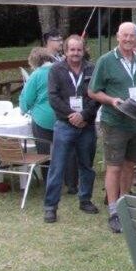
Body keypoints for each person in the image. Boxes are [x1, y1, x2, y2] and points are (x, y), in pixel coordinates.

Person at [88, 22, 136, 233]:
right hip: (115, 122)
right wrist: (111, 100)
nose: (128, 39)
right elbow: (93, 91)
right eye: (124, 35)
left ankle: (125, 204)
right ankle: (114, 211)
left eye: (131, 36)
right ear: (117, 37)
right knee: (114, 166)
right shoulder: (106, 61)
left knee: (130, 165)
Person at [43, 35, 99, 223]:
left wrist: (84, 115)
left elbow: (97, 96)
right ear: (65, 51)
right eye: (72, 50)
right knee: (57, 166)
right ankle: (51, 206)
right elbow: (53, 98)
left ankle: (85, 199)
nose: (75, 53)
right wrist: (72, 115)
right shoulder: (56, 70)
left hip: (87, 125)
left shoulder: (92, 69)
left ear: (84, 50)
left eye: (79, 49)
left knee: (86, 165)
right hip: (65, 124)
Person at [22, 47, 57, 179]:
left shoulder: (36, 75)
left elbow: (27, 99)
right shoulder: (60, 70)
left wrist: (24, 109)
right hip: (61, 115)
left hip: (42, 118)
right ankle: (69, 180)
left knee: (44, 152)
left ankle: (47, 179)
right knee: (65, 149)